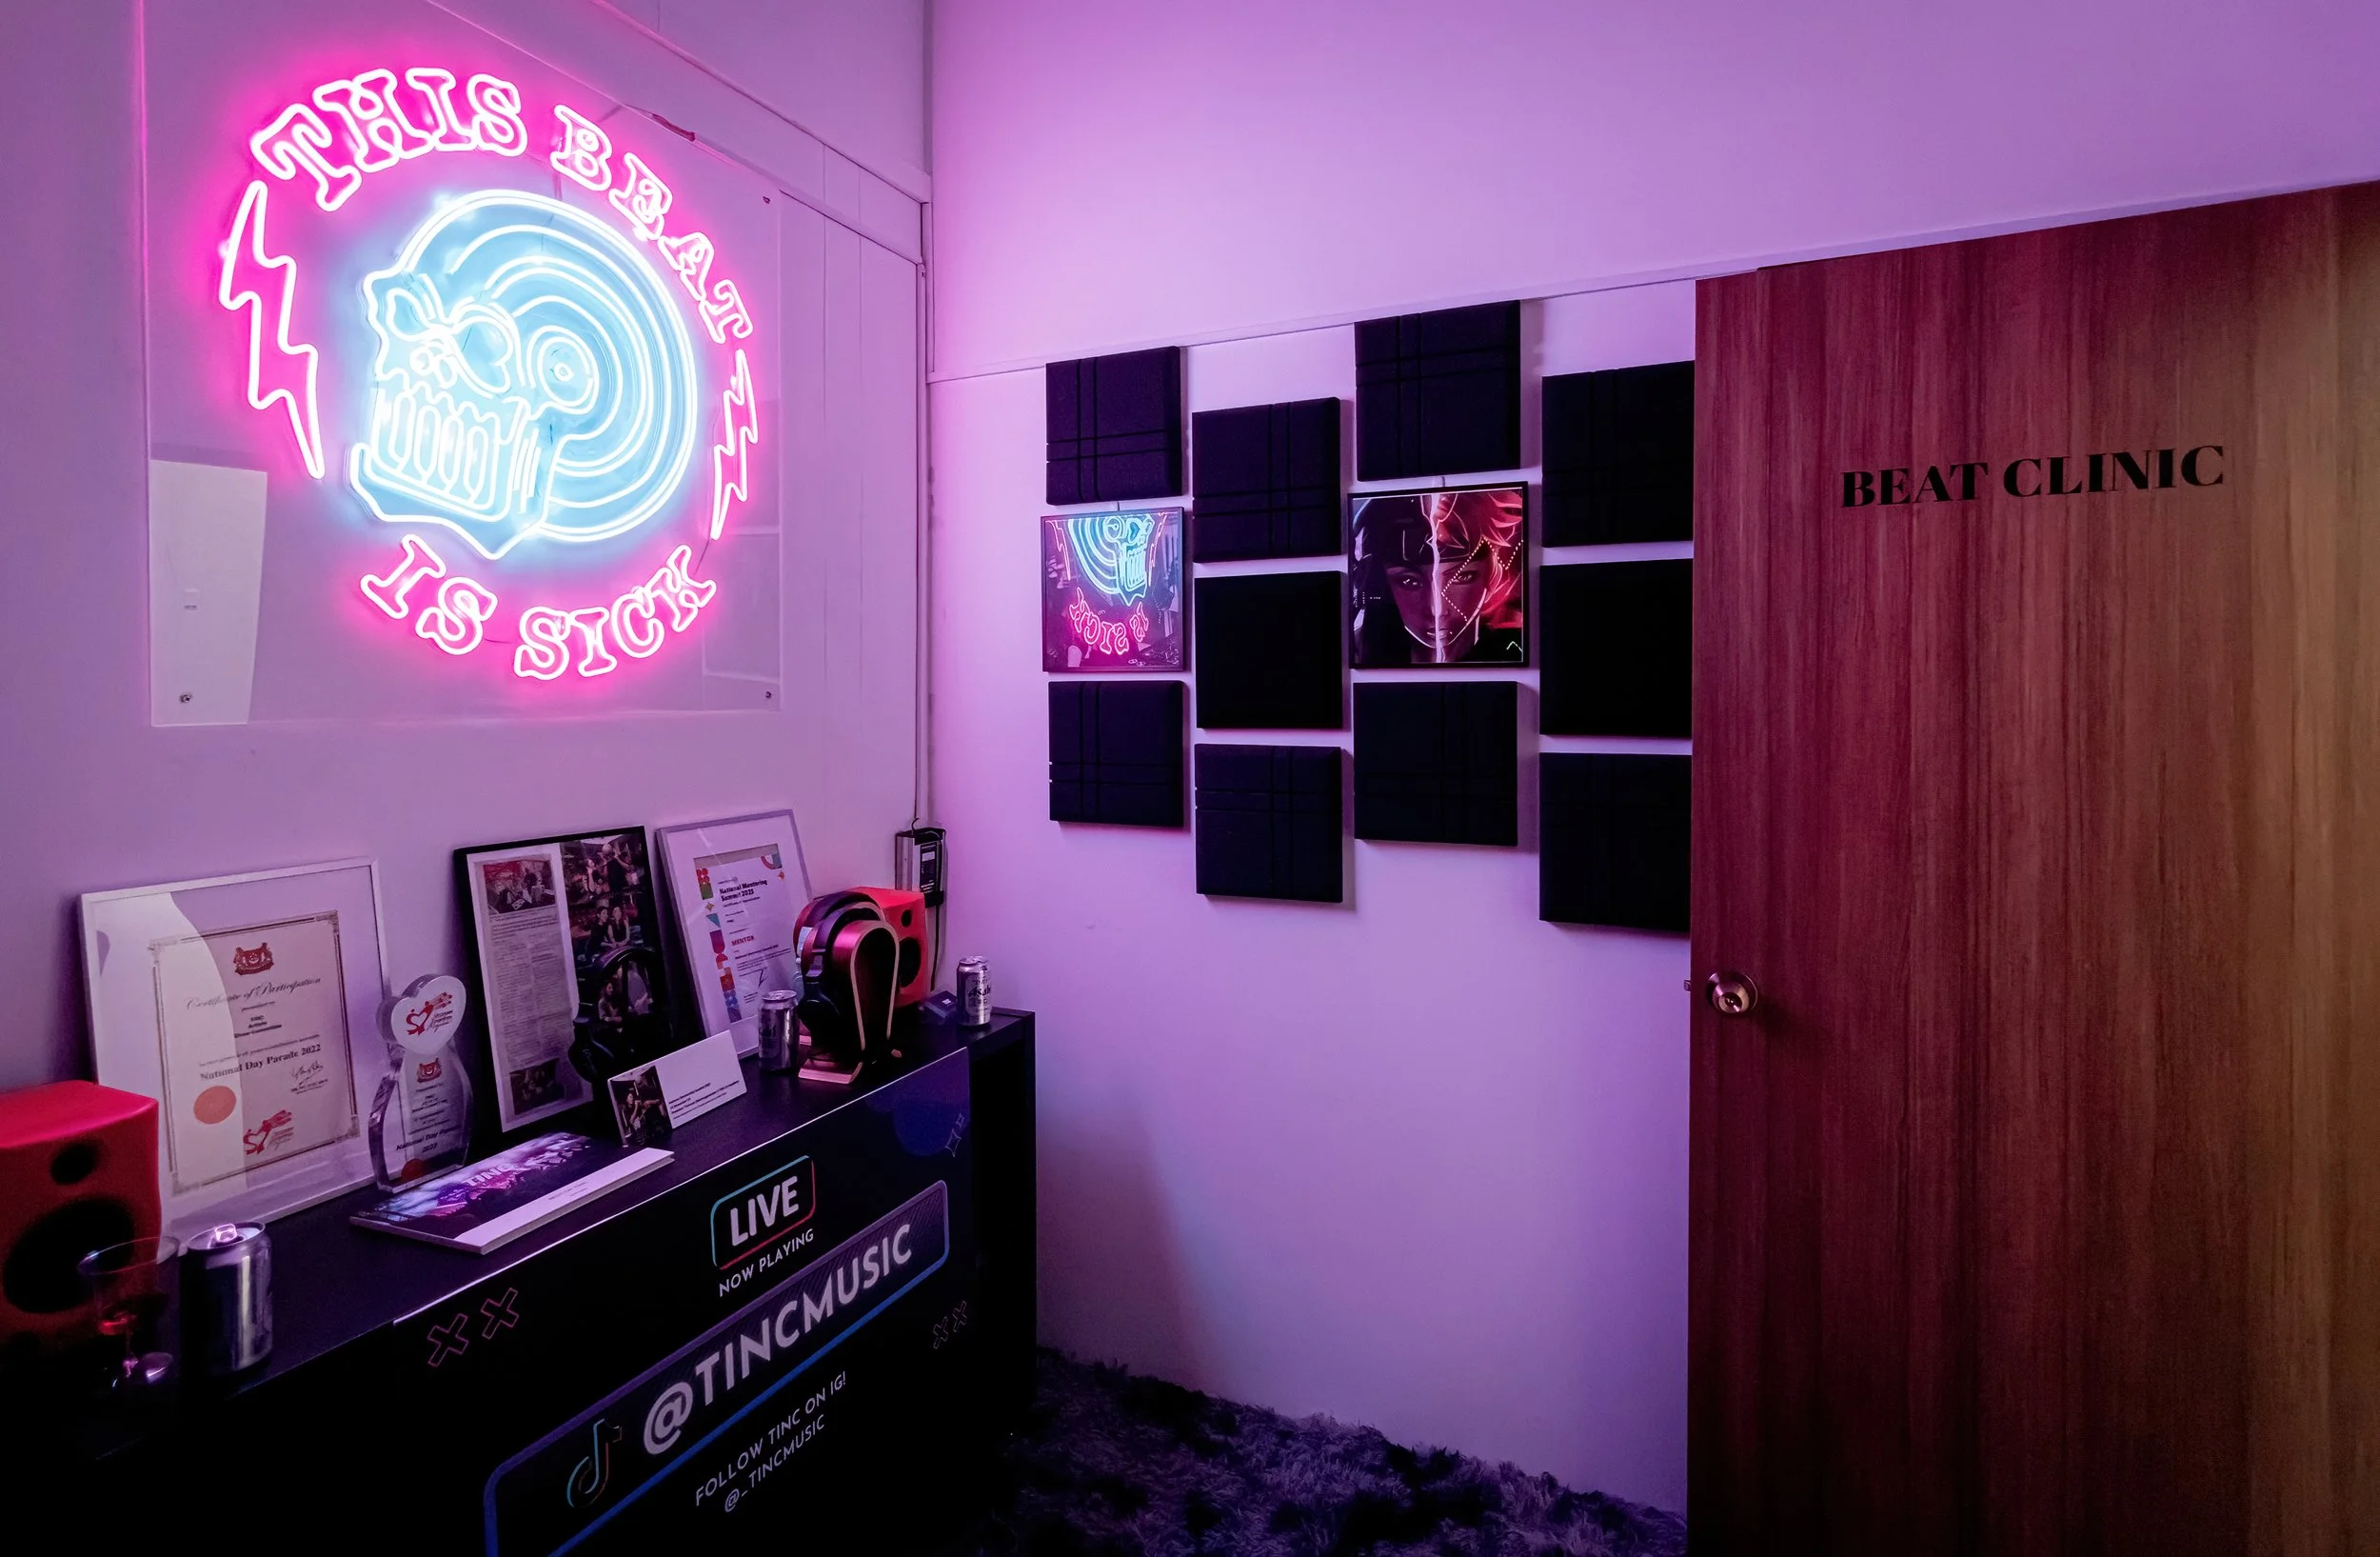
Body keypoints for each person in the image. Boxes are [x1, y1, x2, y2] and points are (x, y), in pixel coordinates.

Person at [1350, 488, 1526, 665]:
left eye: (1462, 577)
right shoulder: (1355, 653)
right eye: (1409, 581)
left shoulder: (1513, 650)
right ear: (1377, 583)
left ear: (1492, 575)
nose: (1437, 610)